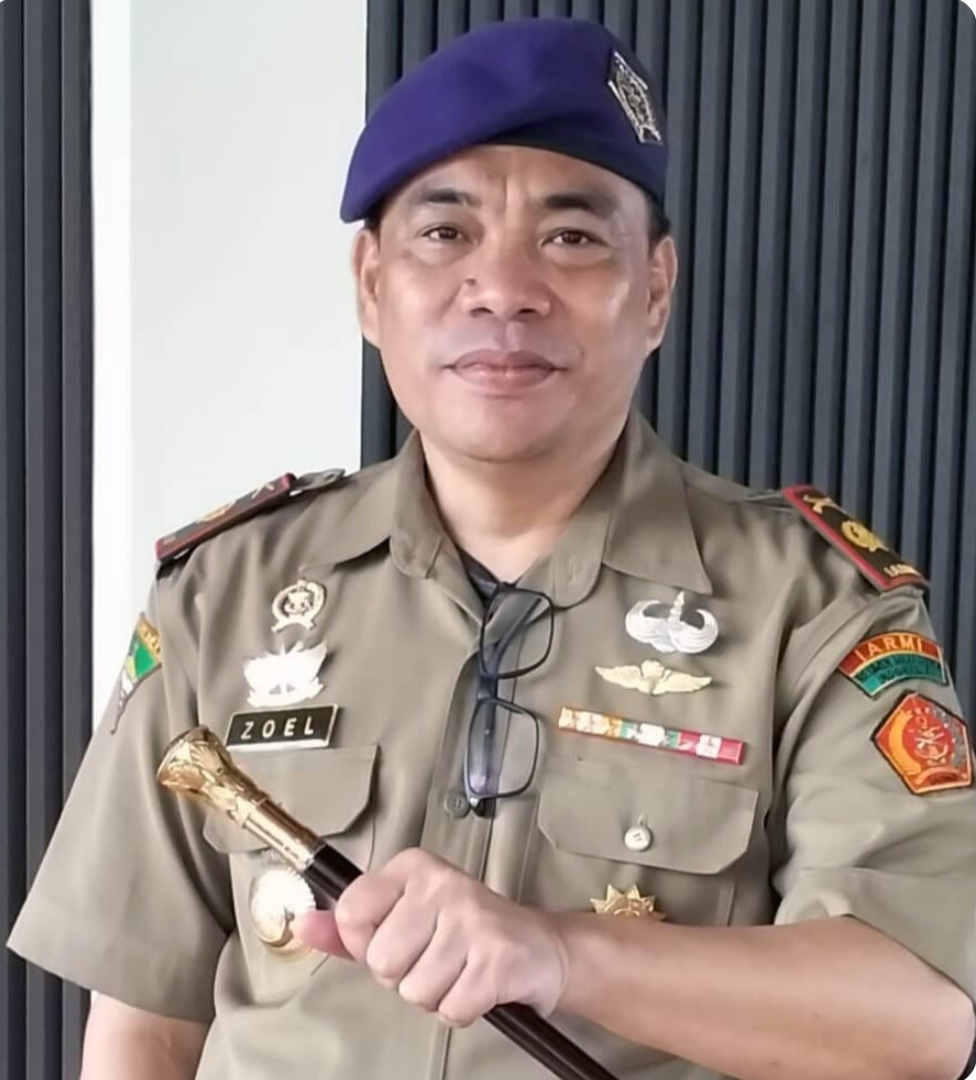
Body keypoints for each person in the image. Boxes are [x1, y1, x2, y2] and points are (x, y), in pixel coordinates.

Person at [7, 16, 976, 1080]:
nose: (503, 288)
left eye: (571, 238)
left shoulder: (815, 608)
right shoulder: (226, 593)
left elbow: (917, 1022)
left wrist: (561, 954)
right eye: (444, 233)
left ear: (655, 290)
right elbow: (146, 1024)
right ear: (371, 284)